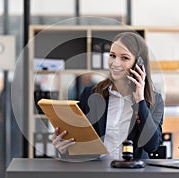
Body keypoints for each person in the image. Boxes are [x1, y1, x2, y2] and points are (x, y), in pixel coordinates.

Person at [52, 32, 164, 160]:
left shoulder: (154, 100)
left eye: (124, 58)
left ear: (139, 64)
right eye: (112, 56)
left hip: (134, 173)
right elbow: (80, 143)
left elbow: (152, 146)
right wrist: (64, 148)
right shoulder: (91, 94)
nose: (115, 63)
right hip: (98, 173)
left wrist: (139, 100)